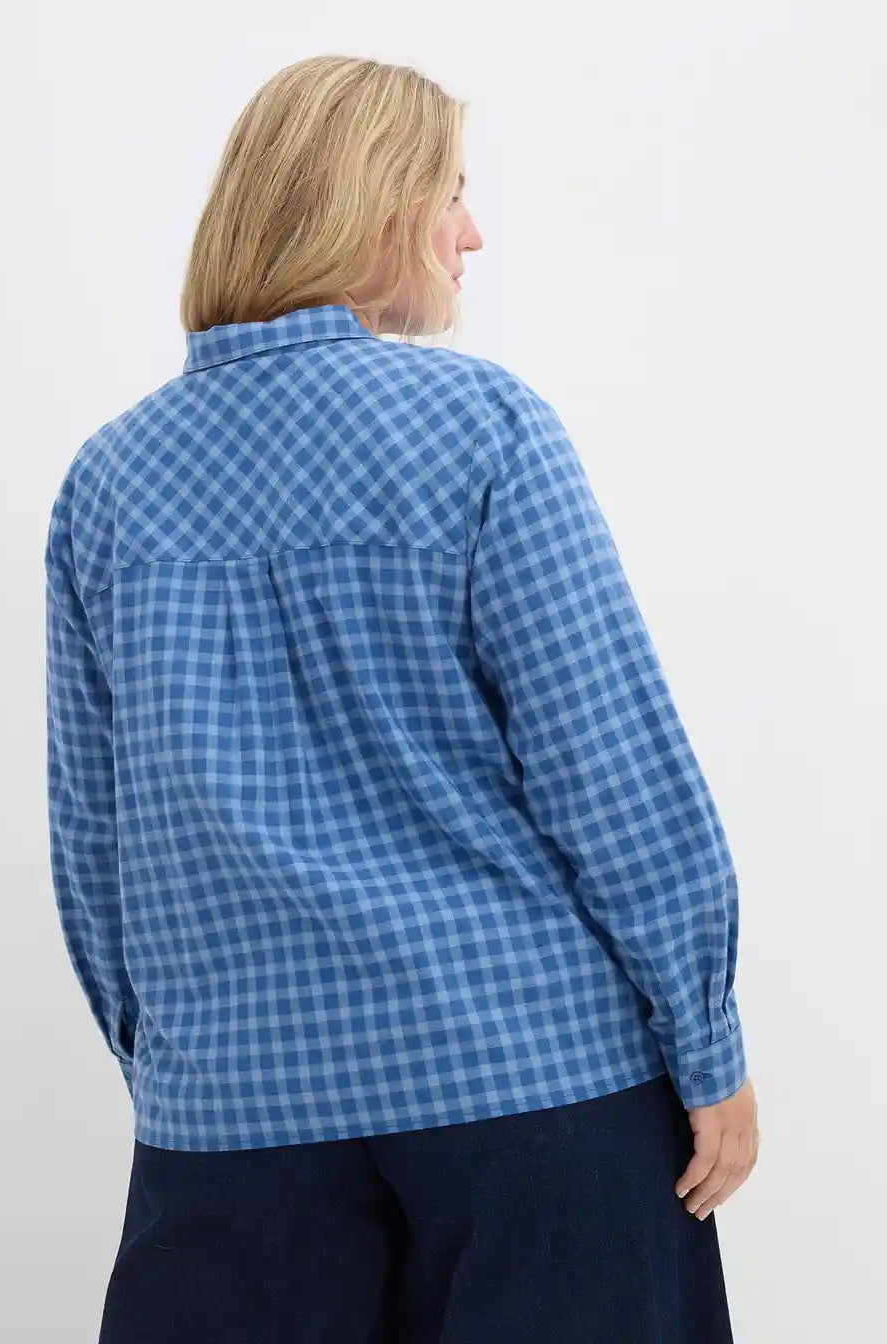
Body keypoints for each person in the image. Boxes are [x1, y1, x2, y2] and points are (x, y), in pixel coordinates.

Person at [43, 53, 759, 1344]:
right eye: (451, 192)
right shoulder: (482, 429)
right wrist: (706, 1044)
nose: (470, 232)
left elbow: (96, 850)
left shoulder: (109, 482)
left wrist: (194, 1068)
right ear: (376, 209)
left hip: (233, 1127)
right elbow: (610, 770)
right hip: (533, 1093)